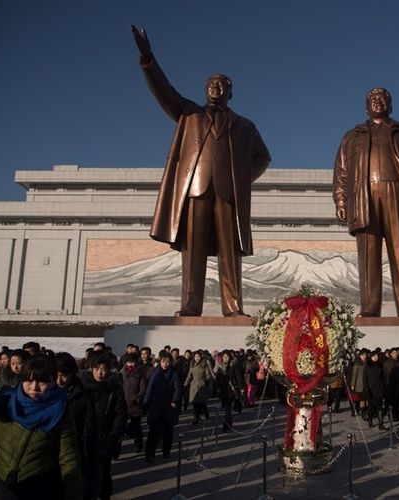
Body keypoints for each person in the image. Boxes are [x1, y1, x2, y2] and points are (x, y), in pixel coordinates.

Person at [131, 25, 271, 317]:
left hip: (227, 192)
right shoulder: (189, 113)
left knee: (229, 251)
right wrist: (148, 58)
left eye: (221, 84)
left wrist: (241, 178)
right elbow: (164, 91)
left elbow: (263, 157)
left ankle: (233, 307)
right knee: (192, 250)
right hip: (195, 189)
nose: (215, 86)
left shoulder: (245, 126)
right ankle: (191, 304)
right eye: (211, 82)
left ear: (231, 92)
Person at [332, 87, 399, 317]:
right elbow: (341, 171)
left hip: (397, 194)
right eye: (373, 99)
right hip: (363, 196)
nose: (378, 101)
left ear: (391, 105)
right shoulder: (352, 136)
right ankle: (369, 308)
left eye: (383, 99)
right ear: (366, 107)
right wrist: (340, 201)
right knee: (367, 254)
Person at [0, 356, 83, 500]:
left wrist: (73, 494)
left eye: (42, 381)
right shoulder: (5, 404)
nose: (34, 387)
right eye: (28, 381)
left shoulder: (60, 410)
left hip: (37, 490)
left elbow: (68, 458)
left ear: (53, 382)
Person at [81, 353, 127, 500]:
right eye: (97, 369)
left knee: (103, 471)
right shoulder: (82, 387)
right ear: (91, 369)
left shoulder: (115, 389)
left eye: (104, 369)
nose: (100, 373)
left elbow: (121, 413)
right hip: (84, 436)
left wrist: (114, 434)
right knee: (85, 472)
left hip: (105, 436)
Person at [55, 352, 99, 500]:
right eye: (55, 375)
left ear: (73, 374)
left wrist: (87, 455)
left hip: (77, 449)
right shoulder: (47, 393)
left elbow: (90, 426)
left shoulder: (84, 395)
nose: (59, 380)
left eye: (63, 375)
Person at [142, 351, 182, 463]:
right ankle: (150, 455)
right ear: (160, 361)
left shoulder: (174, 374)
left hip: (168, 407)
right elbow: (149, 390)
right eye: (164, 361)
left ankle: (166, 451)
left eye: (168, 362)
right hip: (155, 406)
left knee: (167, 432)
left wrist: (174, 401)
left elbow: (177, 390)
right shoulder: (155, 373)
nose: (166, 364)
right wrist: (145, 404)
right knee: (153, 433)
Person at [120, 352, 147, 453]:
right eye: (128, 362)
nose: (130, 365)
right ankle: (116, 449)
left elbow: (143, 389)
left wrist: (136, 399)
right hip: (123, 403)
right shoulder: (122, 372)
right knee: (120, 426)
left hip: (135, 404)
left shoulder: (140, 373)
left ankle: (138, 445)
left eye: (132, 363)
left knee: (136, 426)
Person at [185, 351, 213, 425]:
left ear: (201, 357)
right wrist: (185, 384)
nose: (197, 358)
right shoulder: (192, 365)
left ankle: (206, 414)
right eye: (196, 357)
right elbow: (189, 375)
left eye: (198, 356)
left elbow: (208, 375)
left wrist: (207, 380)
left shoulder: (204, 365)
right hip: (193, 386)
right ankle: (195, 418)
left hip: (202, 386)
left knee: (202, 403)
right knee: (195, 403)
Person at [363, 350, 386, 429]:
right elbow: (365, 378)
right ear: (371, 357)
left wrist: (384, 387)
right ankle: (370, 420)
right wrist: (367, 389)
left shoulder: (380, 365)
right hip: (371, 389)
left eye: (376, 356)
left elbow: (383, 377)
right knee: (371, 407)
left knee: (379, 406)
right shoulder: (367, 365)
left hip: (379, 388)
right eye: (374, 356)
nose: (376, 358)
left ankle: (381, 423)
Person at [383, 347, 399, 421]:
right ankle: (391, 415)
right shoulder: (386, 363)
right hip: (390, 386)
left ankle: (397, 415)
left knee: (398, 402)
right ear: (390, 354)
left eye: (396, 353)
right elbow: (384, 376)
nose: (395, 354)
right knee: (391, 402)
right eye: (394, 353)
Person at [348, 349, 368, 419]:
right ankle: (363, 414)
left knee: (367, 400)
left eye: (365, 355)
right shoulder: (357, 364)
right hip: (360, 385)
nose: (364, 356)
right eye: (363, 355)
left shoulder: (367, 363)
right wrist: (353, 385)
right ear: (360, 356)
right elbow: (354, 375)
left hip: (367, 384)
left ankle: (367, 412)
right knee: (362, 400)